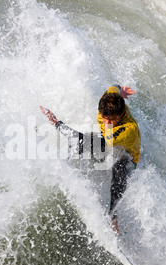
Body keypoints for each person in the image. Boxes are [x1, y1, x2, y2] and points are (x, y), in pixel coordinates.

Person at [40, 84, 140, 234]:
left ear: (120, 115)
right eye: (104, 118)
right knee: (81, 146)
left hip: (128, 154)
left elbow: (83, 140)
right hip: (107, 142)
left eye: (110, 120)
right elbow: (115, 87)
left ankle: (113, 216)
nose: (106, 123)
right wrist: (122, 90)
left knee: (120, 168)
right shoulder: (107, 101)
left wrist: (57, 123)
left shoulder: (128, 130)